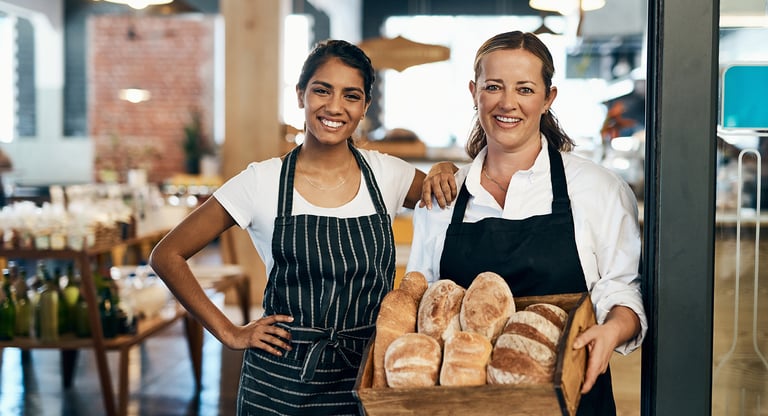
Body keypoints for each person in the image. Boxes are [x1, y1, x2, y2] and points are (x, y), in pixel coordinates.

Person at [149, 39, 455, 416]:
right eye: (322, 90)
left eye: (351, 96)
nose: (334, 106)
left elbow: (451, 198)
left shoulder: (387, 174)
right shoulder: (261, 181)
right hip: (281, 380)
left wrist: (444, 168)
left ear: (365, 108)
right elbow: (166, 254)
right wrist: (230, 332)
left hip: (366, 372)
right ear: (300, 95)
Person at [409, 31, 647, 415]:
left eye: (524, 89)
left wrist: (612, 331)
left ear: (548, 98)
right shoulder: (441, 200)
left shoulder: (597, 189)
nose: (508, 103)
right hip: (469, 405)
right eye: (493, 87)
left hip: (572, 398)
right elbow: (427, 310)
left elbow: (622, 290)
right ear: (474, 92)